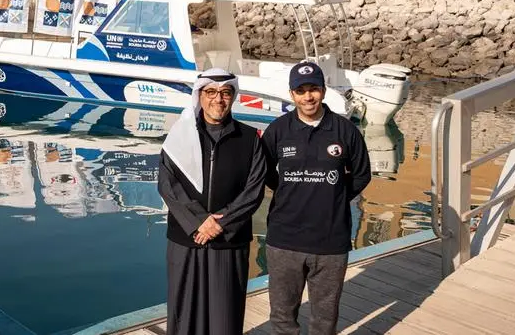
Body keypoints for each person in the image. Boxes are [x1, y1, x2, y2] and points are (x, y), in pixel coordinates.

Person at [262, 61, 372, 335]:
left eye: (313, 89)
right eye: (301, 91)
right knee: (282, 318)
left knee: (324, 321)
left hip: (330, 242)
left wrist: (333, 195)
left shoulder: (345, 131)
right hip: (284, 240)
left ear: (323, 91)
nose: (308, 96)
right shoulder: (278, 130)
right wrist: (287, 191)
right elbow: (263, 171)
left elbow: (362, 174)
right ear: (292, 95)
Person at [158, 68, 269, 335]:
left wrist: (221, 223)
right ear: (200, 95)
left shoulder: (250, 139)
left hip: (229, 241)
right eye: (210, 92)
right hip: (187, 239)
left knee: (225, 317)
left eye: (225, 93)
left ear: (233, 96)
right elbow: (167, 184)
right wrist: (198, 222)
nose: (218, 99)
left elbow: (254, 190)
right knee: (184, 315)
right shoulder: (179, 136)